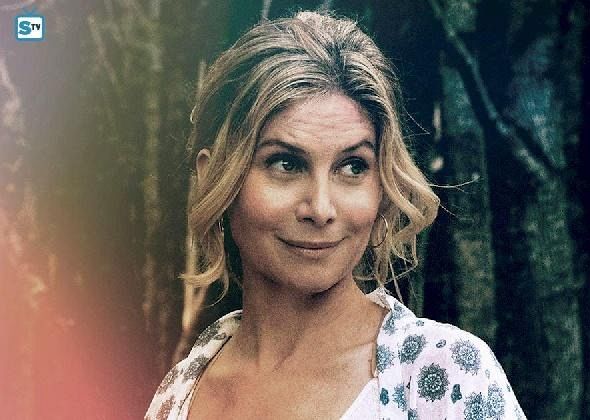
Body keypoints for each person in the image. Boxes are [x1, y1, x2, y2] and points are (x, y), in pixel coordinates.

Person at [145, 11, 525, 420]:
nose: (321, 209)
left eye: (352, 166)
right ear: (214, 176)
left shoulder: (446, 377)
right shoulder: (180, 393)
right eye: (286, 163)